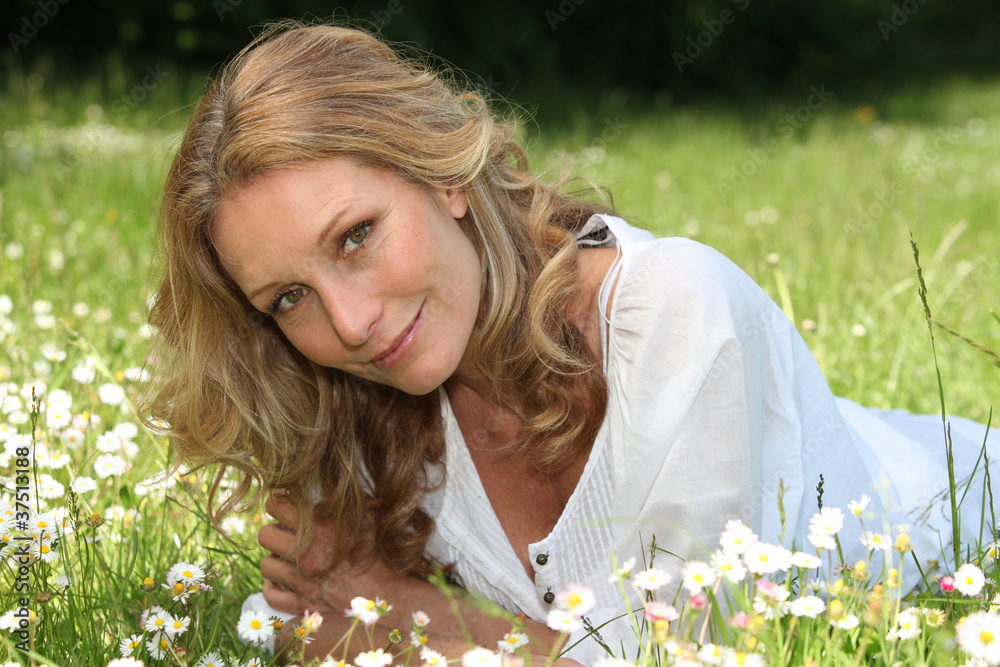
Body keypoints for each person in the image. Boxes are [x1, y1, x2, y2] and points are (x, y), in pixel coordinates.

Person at [142, 21, 992, 665]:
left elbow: (694, 651)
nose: (351, 321)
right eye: (289, 296)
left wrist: (402, 610)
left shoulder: (673, 310)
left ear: (444, 174)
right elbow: (316, 618)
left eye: (356, 235)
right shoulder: (358, 401)